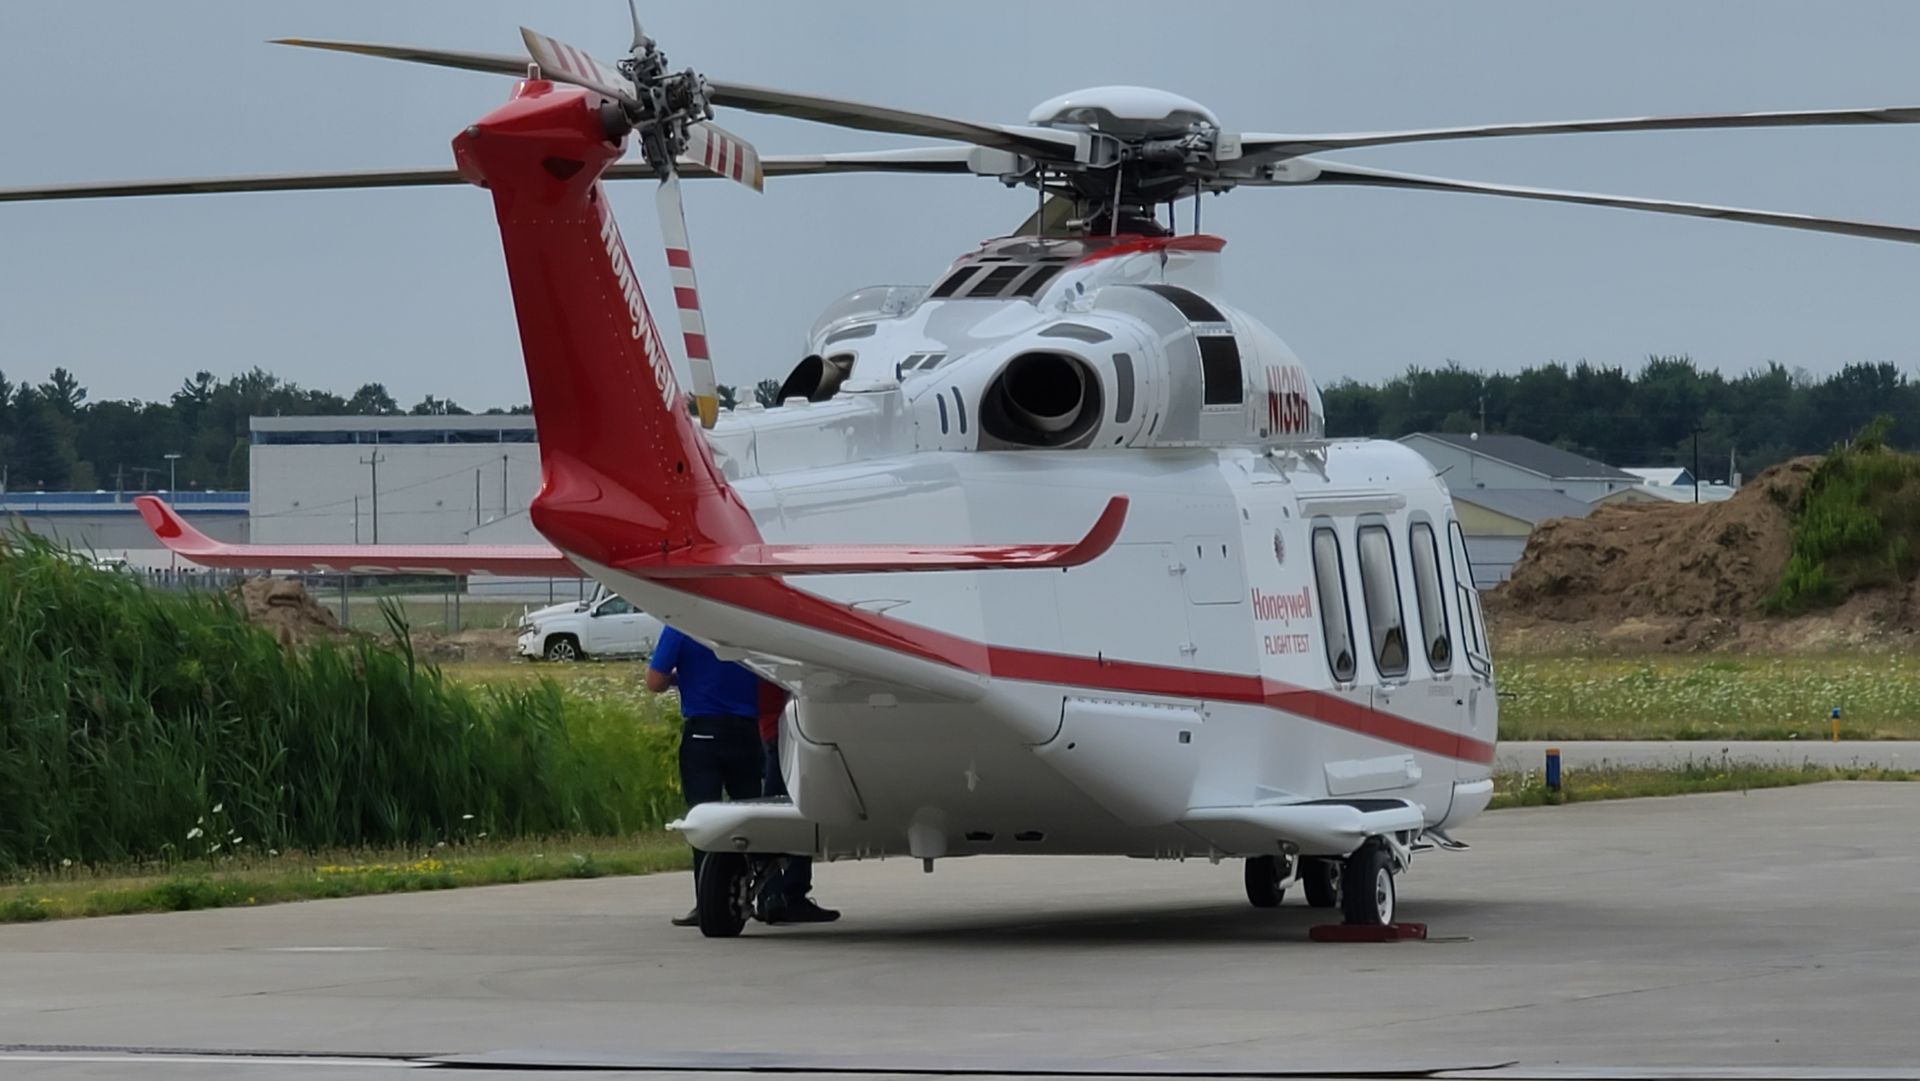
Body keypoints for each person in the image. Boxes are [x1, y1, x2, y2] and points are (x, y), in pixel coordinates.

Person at [646, 624, 765, 928]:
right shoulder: (746, 623)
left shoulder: (681, 625)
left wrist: (682, 678)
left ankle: (708, 900)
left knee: (703, 817)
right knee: (751, 813)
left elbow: (654, 681)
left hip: (703, 730)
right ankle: (758, 892)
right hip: (745, 729)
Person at [755, 682, 839, 924]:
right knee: (801, 807)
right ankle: (789, 893)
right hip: (789, 731)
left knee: (773, 810)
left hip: (774, 728)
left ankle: (770, 892)